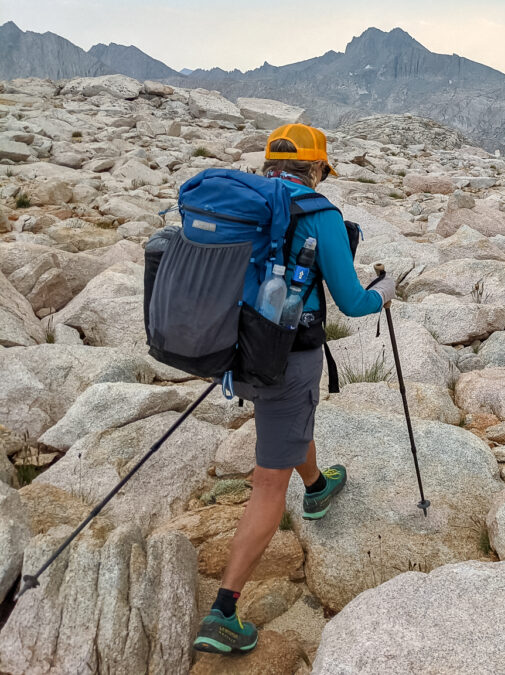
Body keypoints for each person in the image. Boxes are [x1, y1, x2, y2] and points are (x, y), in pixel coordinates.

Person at [193, 124, 396, 654]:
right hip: (286, 356)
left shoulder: (244, 202)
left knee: (287, 423)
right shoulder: (319, 213)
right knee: (266, 485)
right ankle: (224, 611)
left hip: (235, 349)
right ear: (319, 169)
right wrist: (385, 296)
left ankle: (317, 485)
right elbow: (352, 302)